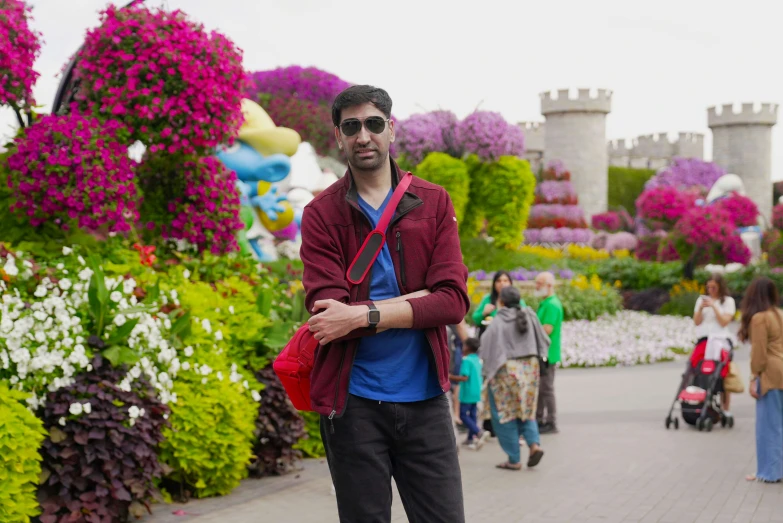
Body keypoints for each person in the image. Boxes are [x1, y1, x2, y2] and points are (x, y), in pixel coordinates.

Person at [300, 85, 470, 522]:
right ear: (338, 136)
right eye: (351, 126)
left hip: (426, 400)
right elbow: (327, 316)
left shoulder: (433, 202)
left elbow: (452, 302)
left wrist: (364, 312)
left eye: (374, 124)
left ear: (391, 130)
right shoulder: (321, 214)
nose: (363, 135)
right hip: (353, 403)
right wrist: (416, 301)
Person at [479, 286, 549, 470]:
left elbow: (485, 348)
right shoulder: (530, 314)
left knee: (504, 414)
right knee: (526, 409)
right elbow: (545, 340)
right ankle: (534, 445)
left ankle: (513, 459)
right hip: (530, 370)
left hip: (505, 372)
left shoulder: (498, 321)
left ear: (500, 301)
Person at [738, 277, 783, 483]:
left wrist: (753, 377)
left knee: (768, 426)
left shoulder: (759, 318)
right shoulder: (780, 314)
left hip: (771, 374)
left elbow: (759, 353)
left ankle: (769, 472)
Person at [693, 274, 736, 414]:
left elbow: (724, 322)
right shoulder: (701, 299)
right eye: (708, 287)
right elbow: (697, 322)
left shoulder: (728, 301)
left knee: (722, 372)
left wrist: (714, 306)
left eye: (714, 287)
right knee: (698, 368)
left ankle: (726, 407)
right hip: (704, 339)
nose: (710, 290)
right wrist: (700, 308)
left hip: (721, 339)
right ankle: (700, 401)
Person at [534, 271, 563, 434]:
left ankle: (551, 421)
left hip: (548, 354)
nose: (536, 286)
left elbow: (547, 329)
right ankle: (540, 419)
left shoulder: (551, 304)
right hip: (545, 353)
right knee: (542, 388)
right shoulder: (547, 302)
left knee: (546, 389)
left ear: (549, 285)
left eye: (539, 283)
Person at [449, 337, 490, 449]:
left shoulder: (466, 360)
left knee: (463, 414)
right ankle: (470, 439)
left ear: (467, 347)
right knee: (472, 414)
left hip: (467, 392)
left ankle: (478, 432)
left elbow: (464, 377)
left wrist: (450, 377)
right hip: (476, 391)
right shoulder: (477, 359)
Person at [472, 270, 526, 336]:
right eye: (499, 281)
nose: (502, 283)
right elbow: (475, 318)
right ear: (494, 284)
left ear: (510, 283)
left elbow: (525, 316)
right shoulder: (488, 299)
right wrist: (483, 313)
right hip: (491, 335)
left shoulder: (517, 300)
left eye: (505, 281)